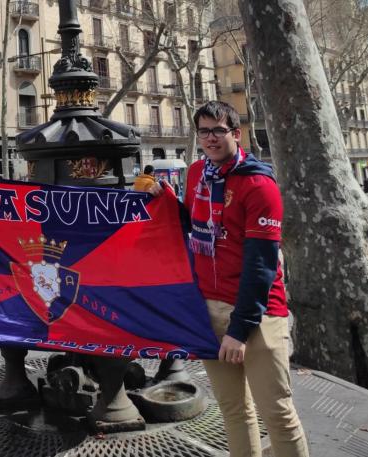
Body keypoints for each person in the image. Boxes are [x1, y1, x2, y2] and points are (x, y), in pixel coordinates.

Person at [151, 100, 308, 457]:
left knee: (278, 414)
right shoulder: (195, 175)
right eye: (203, 131)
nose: (210, 138)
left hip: (259, 315)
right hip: (210, 309)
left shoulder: (259, 185)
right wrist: (166, 203)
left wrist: (239, 329)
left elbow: (262, 266)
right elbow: (191, 226)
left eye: (218, 131)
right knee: (235, 412)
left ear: (235, 134)